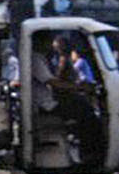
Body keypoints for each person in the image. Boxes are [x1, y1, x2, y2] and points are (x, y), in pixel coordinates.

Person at [30, 32, 104, 166]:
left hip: (51, 100)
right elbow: (54, 82)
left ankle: (88, 152)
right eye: (49, 42)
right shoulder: (35, 59)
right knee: (86, 113)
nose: (51, 46)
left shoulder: (45, 58)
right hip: (47, 104)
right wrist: (78, 87)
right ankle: (90, 154)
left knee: (84, 107)